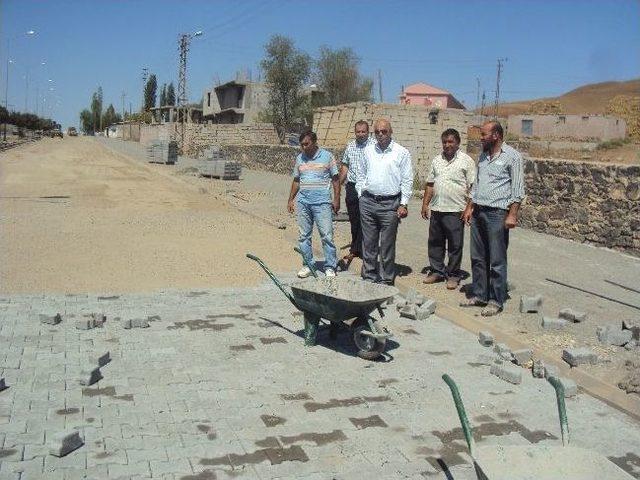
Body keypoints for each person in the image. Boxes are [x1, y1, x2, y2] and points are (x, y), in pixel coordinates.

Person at [461, 121, 525, 316]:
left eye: (484, 134)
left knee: (497, 259)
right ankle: (481, 295)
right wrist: (470, 207)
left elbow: (518, 188)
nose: (480, 138)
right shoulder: (483, 156)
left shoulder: (512, 157)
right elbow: (477, 184)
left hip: (498, 214)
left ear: (496, 135)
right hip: (479, 211)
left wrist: (512, 214)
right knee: (478, 256)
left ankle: (496, 300)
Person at [356, 119, 413, 285]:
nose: (381, 134)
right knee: (369, 242)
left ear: (391, 131)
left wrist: (404, 203)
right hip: (368, 202)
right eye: (377, 132)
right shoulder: (367, 151)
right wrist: (361, 194)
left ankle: (386, 279)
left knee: (387, 244)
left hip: (390, 205)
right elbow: (361, 174)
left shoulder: (401, 152)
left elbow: (407, 179)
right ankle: (369, 275)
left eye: (384, 131)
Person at [421, 128, 476, 290]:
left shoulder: (466, 161)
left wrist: (469, 209)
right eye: (444, 142)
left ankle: (453, 275)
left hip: (456, 209)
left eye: (451, 141)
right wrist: (425, 204)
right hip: (437, 208)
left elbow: (473, 187)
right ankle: (437, 271)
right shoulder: (437, 160)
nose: (447, 145)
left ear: (458, 143)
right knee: (435, 242)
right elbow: (430, 183)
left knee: (455, 245)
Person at [287, 130, 340, 278]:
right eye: (302, 145)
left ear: (315, 142)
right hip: (304, 203)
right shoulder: (300, 159)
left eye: (306, 144)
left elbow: (335, 179)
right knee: (304, 236)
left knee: (327, 235)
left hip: (322, 203)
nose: (304, 147)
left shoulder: (327, 156)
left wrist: (336, 199)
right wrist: (291, 199)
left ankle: (330, 266)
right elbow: (297, 180)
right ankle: (308, 265)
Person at [338, 120, 372, 270]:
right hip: (352, 187)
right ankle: (356, 247)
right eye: (358, 132)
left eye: (363, 131)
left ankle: (362, 249)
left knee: (366, 219)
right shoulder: (351, 146)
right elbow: (345, 166)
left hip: (367, 187)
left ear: (368, 131)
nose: (360, 134)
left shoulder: (374, 146)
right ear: (355, 132)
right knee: (354, 218)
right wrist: (338, 183)